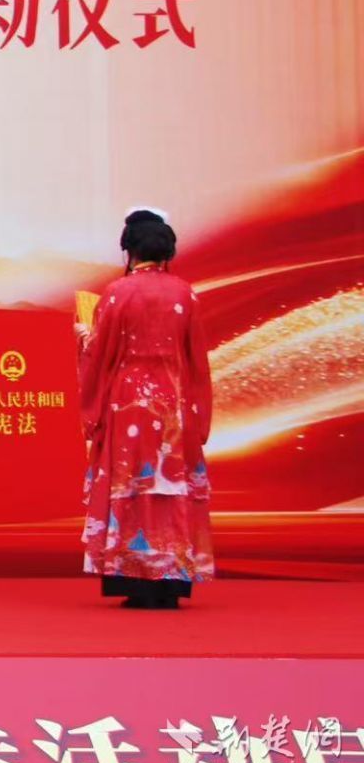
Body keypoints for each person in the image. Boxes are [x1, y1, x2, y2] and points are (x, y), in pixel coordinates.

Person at [75, 207, 215, 609]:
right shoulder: (185, 293)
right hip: (173, 400)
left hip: (129, 402)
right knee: (169, 486)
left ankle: (136, 580)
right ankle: (171, 581)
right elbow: (197, 359)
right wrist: (199, 413)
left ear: (129, 250)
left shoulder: (117, 294)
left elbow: (99, 354)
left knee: (132, 485)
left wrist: (83, 337)